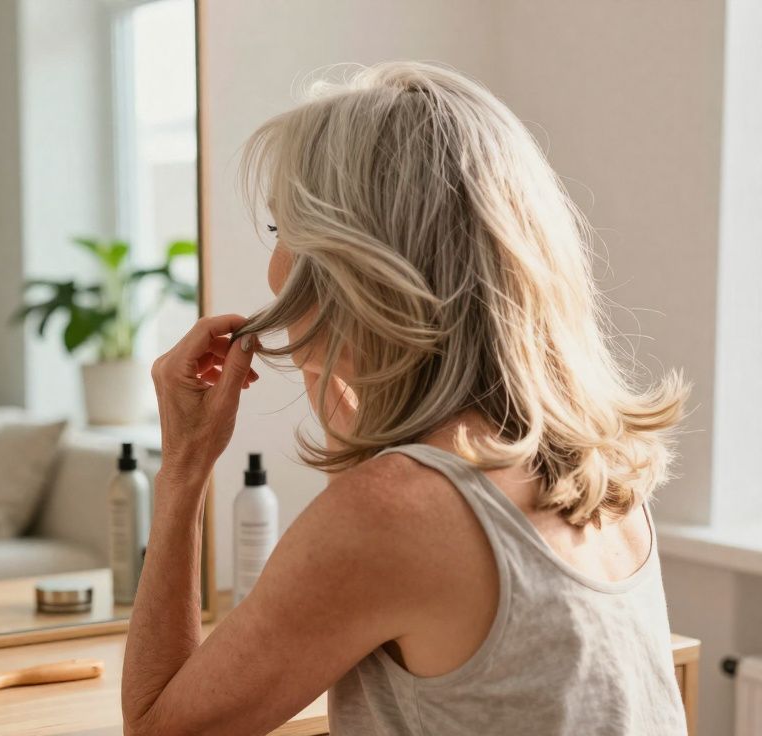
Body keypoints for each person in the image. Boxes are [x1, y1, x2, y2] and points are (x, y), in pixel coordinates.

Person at [122, 62, 688, 735]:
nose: (275, 271)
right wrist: (337, 384)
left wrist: (185, 467)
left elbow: (159, 728)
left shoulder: (392, 515)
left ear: (349, 266)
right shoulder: (598, 470)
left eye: (283, 234)